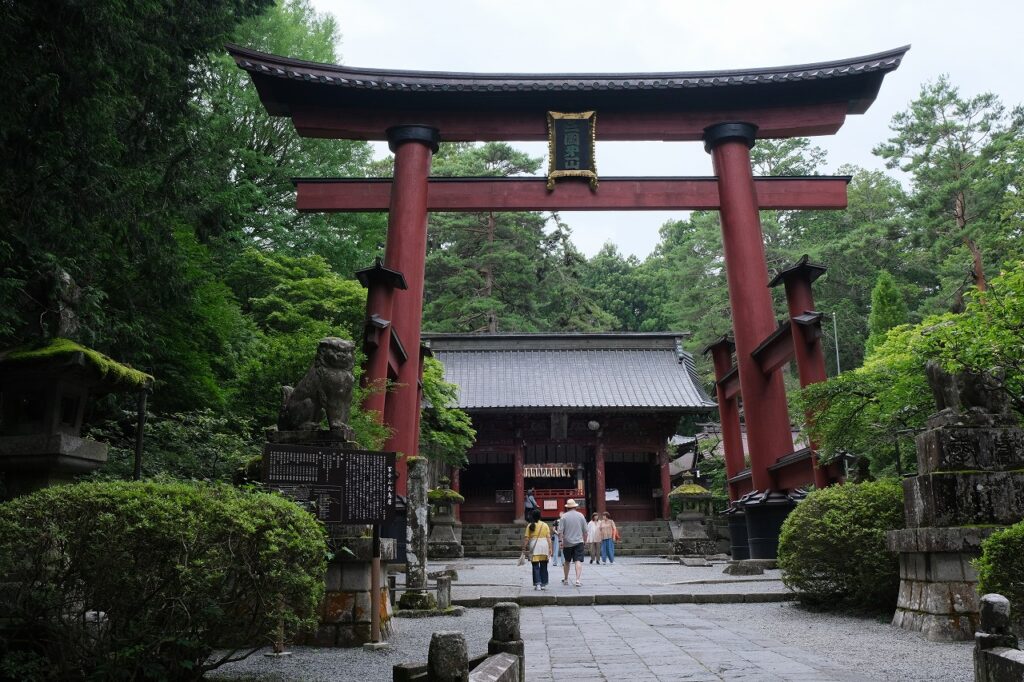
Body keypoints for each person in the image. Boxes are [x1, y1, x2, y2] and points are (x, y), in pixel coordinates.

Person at [559, 499, 588, 587]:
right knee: (578, 560)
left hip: (567, 542)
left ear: (567, 507)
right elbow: (585, 531)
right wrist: (585, 541)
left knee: (567, 561)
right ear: (575, 506)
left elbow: (560, 531)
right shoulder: (581, 515)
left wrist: (561, 541)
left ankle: (566, 579)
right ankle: (578, 580)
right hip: (579, 541)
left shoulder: (563, 517)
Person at [522, 509, 552, 590]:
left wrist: (524, 547)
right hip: (544, 545)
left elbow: (526, 538)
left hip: (534, 546)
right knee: (544, 565)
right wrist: (550, 548)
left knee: (535, 566)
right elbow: (548, 537)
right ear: (540, 516)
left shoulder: (530, 525)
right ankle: (543, 584)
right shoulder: (545, 525)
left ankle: (537, 584)